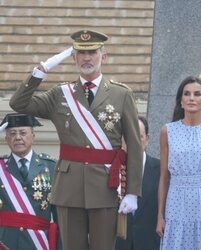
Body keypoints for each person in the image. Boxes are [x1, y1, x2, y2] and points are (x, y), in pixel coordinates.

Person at [9, 29, 143, 250]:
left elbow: (135, 146)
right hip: (68, 188)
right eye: (80, 53)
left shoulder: (121, 94)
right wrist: (42, 70)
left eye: (92, 52)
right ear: (73, 58)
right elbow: (19, 104)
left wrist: (132, 192)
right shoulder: (60, 94)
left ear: (104, 56)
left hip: (105, 187)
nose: (87, 58)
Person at [156, 76, 201, 249]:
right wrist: (160, 215)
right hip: (176, 202)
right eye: (186, 94)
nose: (191, 98)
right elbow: (164, 177)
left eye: (197, 94)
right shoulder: (168, 131)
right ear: (181, 100)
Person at [0, 113, 59, 250]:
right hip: (6, 242)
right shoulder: (1, 167)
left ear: (33, 136)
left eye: (23, 133)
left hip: (39, 242)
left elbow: (59, 213)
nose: (18, 137)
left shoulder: (51, 166)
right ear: (7, 139)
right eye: (12, 133)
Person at [116, 116, 160, 250]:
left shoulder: (161, 170)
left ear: (147, 139)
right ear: (122, 140)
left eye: (139, 136)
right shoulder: (112, 169)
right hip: (118, 243)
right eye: (129, 136)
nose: (133, 141)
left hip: (150, 243)